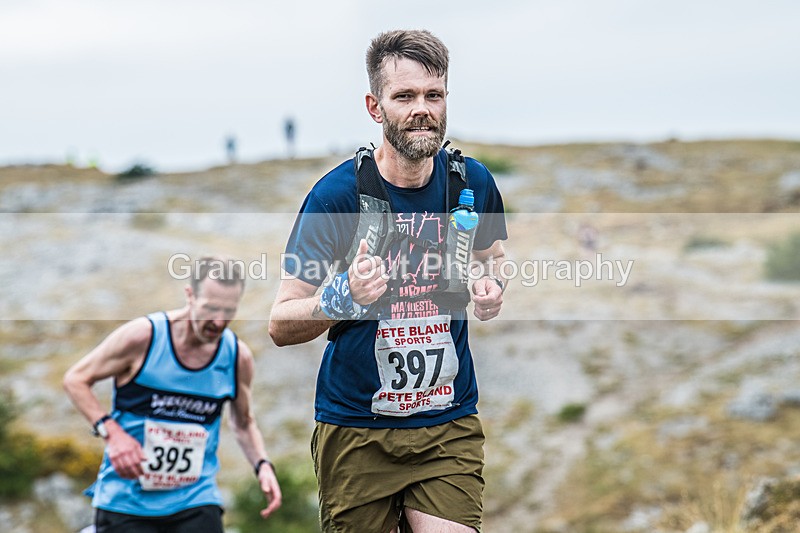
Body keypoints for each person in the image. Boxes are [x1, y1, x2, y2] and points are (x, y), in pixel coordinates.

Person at [269, 29, 508, 532]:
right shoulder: (336, 197)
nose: (422, 109)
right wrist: (343, 296)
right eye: (404, 96)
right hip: (358, 431)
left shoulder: (472, 183)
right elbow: (281, 321)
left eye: (433, 95)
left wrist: (491, 288)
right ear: (375, 107)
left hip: (447, 421)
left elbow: (494, 259)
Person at [63, 256, 281, 533]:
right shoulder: (143, 338)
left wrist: (262, 465)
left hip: (195, 497)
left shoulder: (236, 357)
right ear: (190, 295)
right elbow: (76, 379)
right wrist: (113, 434)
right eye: (211, 308)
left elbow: (243, 422)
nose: (218, 321)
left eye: (229, 310)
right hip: (127, 500)